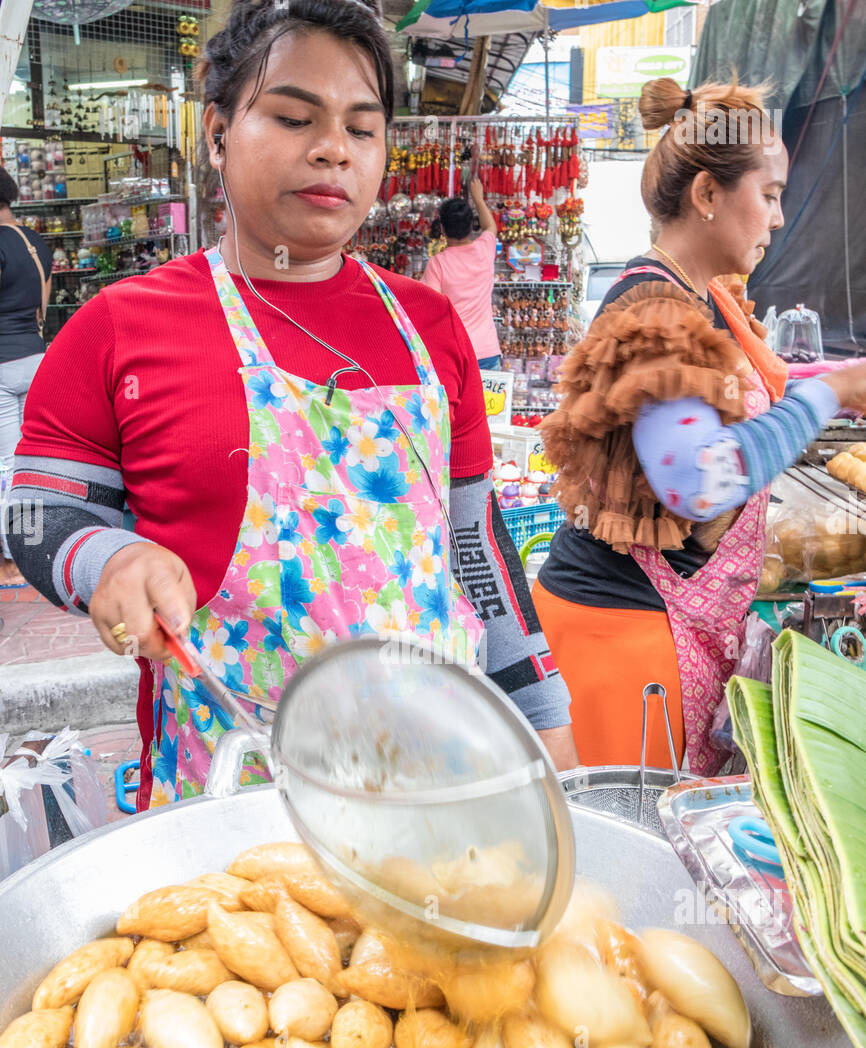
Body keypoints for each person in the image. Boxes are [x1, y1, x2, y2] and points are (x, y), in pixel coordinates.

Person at [8, 0, 576, 810]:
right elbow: (37, 512)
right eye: (291, 116)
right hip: (229, 791)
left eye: (362, 128)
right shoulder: (119, 328)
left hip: (437, 788)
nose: (332, 151)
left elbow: (473, 541)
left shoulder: (428, 323)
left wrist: (543, 710)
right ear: (216, 132)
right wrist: (110, 560)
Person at [533, 75, 866, 775]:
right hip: (622, 636)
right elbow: (697, 478)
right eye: (770, 196)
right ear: (708, 195)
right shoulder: (653, 310)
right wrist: (833, 391)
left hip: (658, 627)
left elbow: (751, 391)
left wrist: (841, 382)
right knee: (625, 862)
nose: (779, 219)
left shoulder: (702, 297)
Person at [0, 166, 52, 584]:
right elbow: (42, 309)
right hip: (33, 359)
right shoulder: (36, 244)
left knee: (3, 464)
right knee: (29, 459)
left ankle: (12, 555)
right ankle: (32, 542)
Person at [421, 178, 501, 370]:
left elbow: (429, 305)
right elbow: (490, 227)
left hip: (455, 353)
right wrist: (478, 198)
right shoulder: (485, 249)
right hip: (487, 352)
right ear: (471, 225)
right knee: (486, 402)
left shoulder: (437, 264)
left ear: (442, 229)